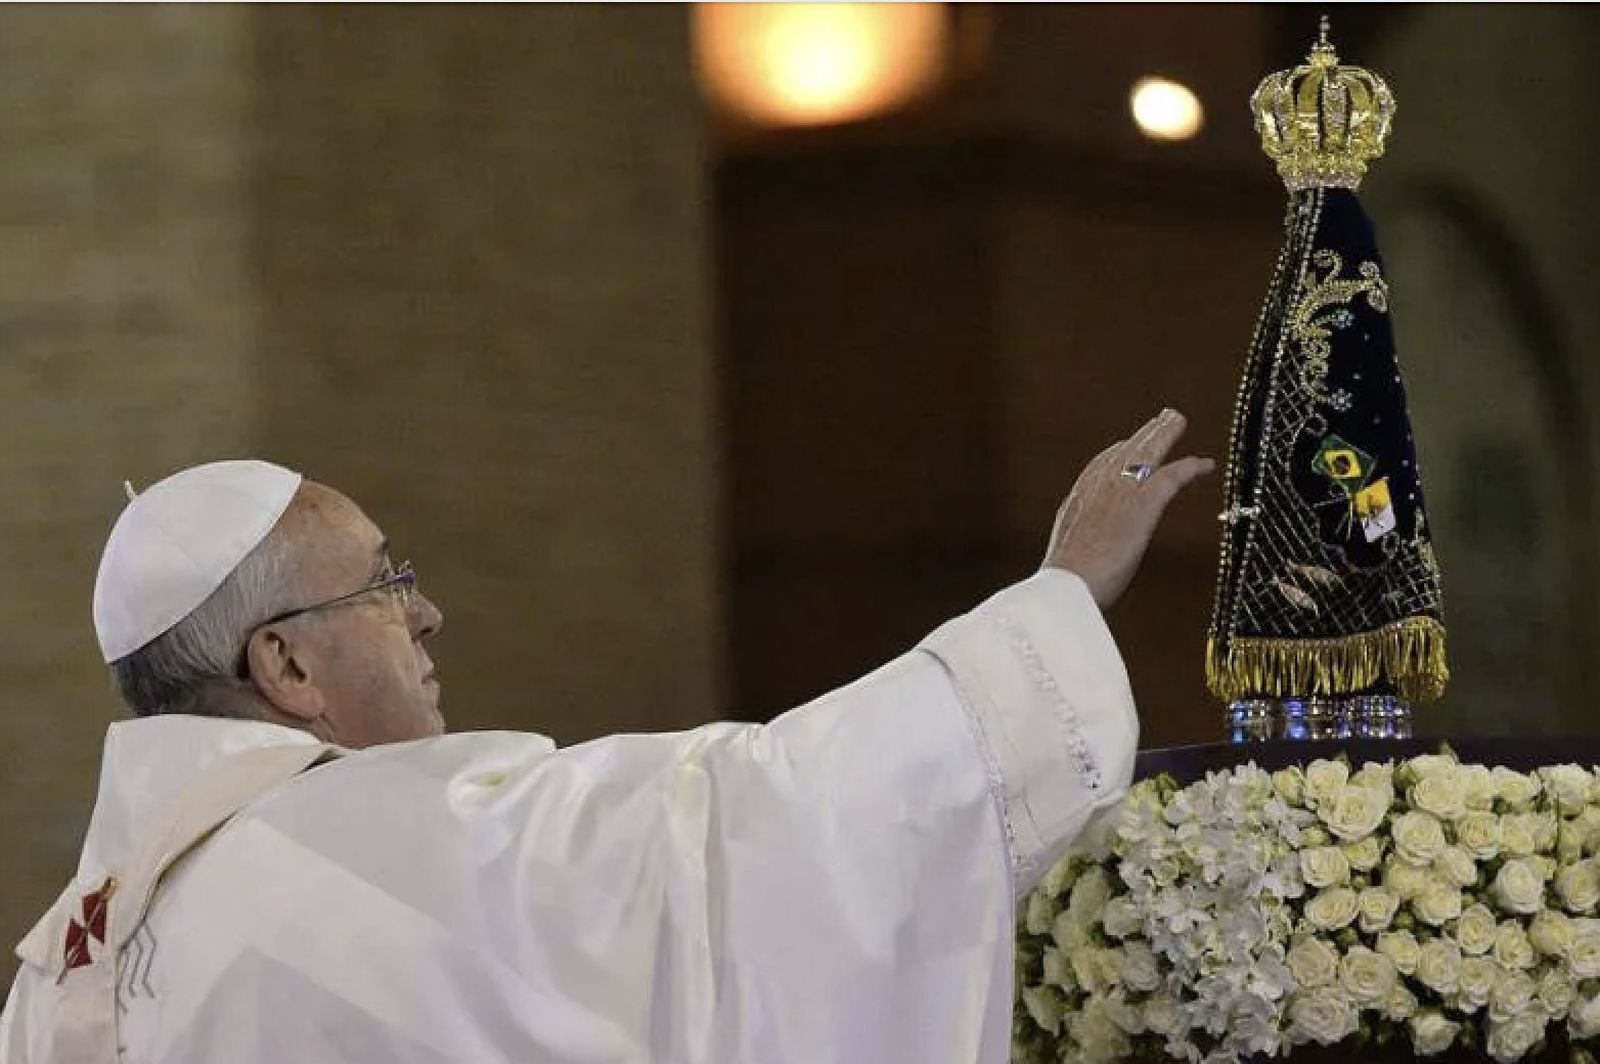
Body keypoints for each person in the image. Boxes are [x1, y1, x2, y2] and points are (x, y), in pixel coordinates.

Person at [0, 409, 1211, 1064]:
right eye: (384, 582)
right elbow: (736, 826)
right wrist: (1051, 605)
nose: (423, 611)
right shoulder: (378, 839)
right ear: (287, 664)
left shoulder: (59, 970)